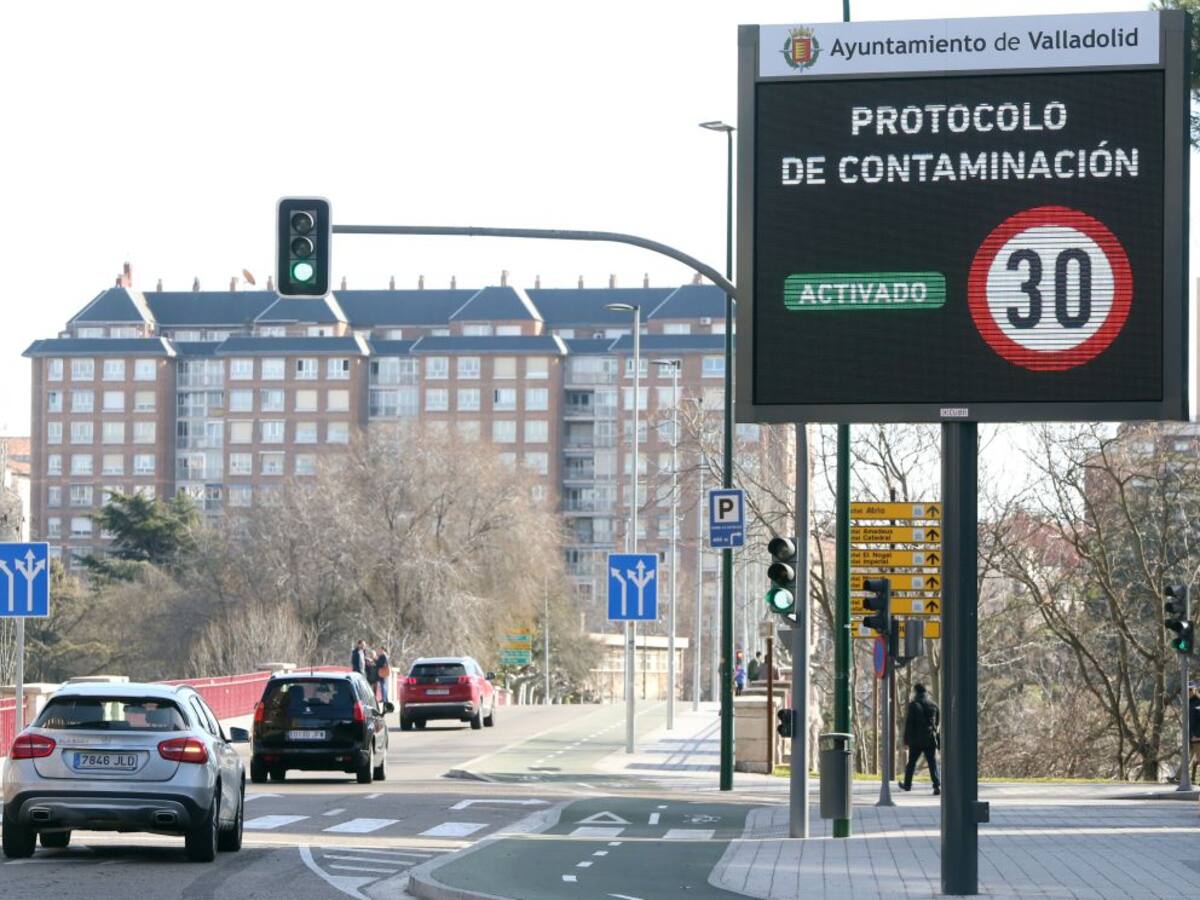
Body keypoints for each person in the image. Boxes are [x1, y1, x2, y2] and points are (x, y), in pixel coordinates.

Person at [899, 683, 941, 795]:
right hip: (929, 739)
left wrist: (906, 740)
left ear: (916, 692)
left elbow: (909, 724)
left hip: (916, 740)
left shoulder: (913, 705)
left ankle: (907, 785)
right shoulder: (934, 705)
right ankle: (936, 785)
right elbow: (937, 723)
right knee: (932, 763)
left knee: (911, 763)